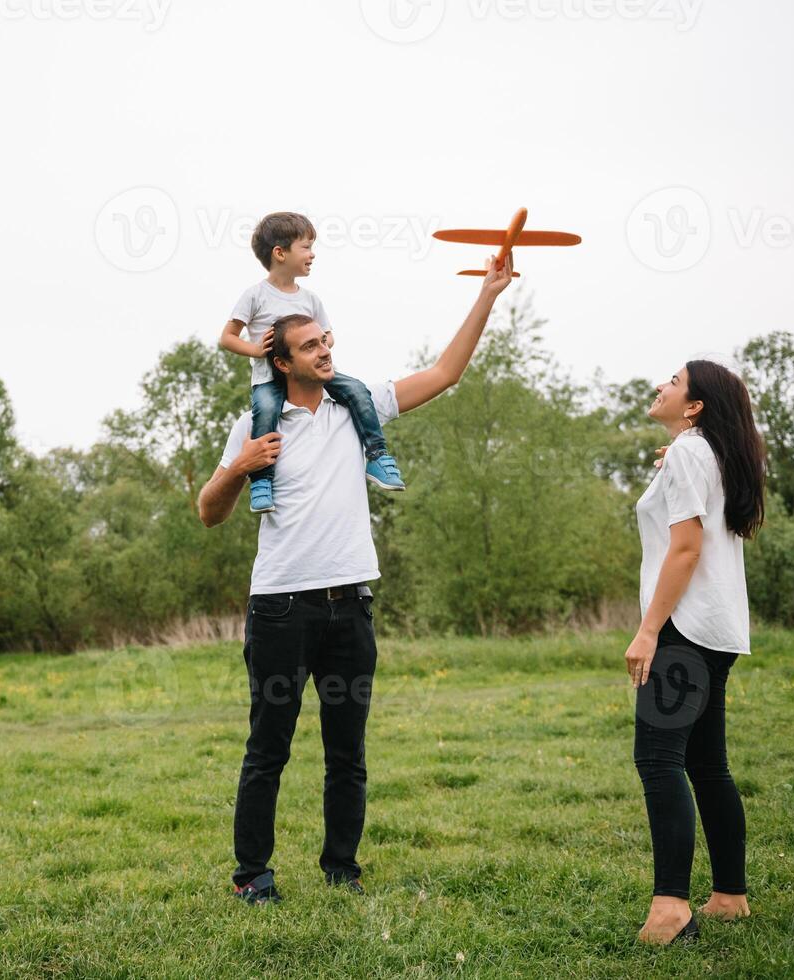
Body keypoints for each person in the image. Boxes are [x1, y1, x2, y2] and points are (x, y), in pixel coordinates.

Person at [199, 252, 516, 903]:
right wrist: (239, 467)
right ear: (279, 362)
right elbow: (207, 512)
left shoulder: (356, 405)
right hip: (281, 611)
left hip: (351, 608)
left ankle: (342, 866)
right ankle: (252, 875)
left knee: (348, 753)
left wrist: (487, 294)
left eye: (326, 339)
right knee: (269, 751)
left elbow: (445, 373)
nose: (325, 349)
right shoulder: (254, 424)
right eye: (310, 345)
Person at [625, 359, 766, 943]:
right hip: (719, 628)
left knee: (658, 760)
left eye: (674, 381)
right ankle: (730, 897)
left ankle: (670, 909)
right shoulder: (713, 453)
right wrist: (672, 460)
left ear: (695, 404)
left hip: (683, 628)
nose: (660, 384)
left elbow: (684, 549)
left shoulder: (690, 453)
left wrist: (648, 630)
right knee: (707, 766)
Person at [218, 211, 405, 515]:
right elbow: (227, 337)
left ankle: (377, 456)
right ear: (280, 253)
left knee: (358, 391)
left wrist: (317, 345)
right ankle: (263, 481)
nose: (312, 254)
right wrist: (255, 350)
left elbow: (328, 336)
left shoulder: (310, 299)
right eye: (305, 247)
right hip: (269, 378)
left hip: (311, 374)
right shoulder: (255, 295)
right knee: (264, 414)